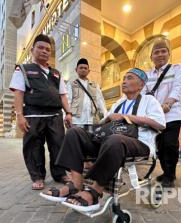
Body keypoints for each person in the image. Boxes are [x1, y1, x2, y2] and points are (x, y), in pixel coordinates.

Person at [40, 68, 166, 211]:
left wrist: (128, 118)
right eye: (124, 78)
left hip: (140, 143)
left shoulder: (149, 100)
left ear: (141, 85)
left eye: (130, 78)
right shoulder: (119, 103)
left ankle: (95, 191)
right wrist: (108, 118)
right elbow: (103, 124)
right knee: (74, 132)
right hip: (110, 141)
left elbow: (160, 124)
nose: (124, 81)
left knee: (115, 140)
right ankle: (76, 184)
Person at [9, 34, 73, 190]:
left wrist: (69, 113)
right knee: (34, 147)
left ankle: (59, 173)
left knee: (58, 145)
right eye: (40, 48)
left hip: (55, 115)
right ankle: (37, 176)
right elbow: (18, 93)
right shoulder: (23, 69)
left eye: (48, 49)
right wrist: (19, 116)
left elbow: (63, 95)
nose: (44, 51)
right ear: (32, 50)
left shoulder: (56, 73)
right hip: (33, 115)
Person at [142, 40, 181, 188]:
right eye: (156, 52)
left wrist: (168, 103)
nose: (160, 54)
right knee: (159, 146)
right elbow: (143, 94)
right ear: (151, 56)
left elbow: (178, 88)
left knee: (170, 145)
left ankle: (170, 175)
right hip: (154, 117)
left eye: (163, 51)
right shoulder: (147, 76)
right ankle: (166, 171)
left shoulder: (177, 69)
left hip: (171, 114)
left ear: (168, 54)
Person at [67, 58, 108, 133]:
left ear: (88, 71)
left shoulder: (95, 85)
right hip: (77, 121)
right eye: (81, 68)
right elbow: (68, 101)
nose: (83, 69)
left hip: (93, 121)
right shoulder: (71, 84)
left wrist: (106, 116)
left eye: (85, 68)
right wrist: (66, 116)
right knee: (77, 142)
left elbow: (100, 101)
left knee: (91, 143)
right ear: (76, 69)